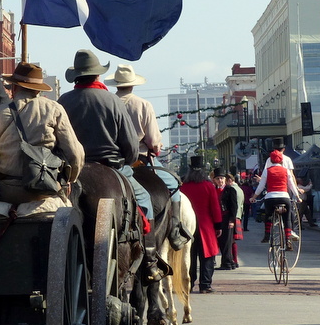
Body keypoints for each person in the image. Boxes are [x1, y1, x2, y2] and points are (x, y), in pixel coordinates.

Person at [57, 50, 150, 222]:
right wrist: (128, 160)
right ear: (97, 75)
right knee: (145, 199)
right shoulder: (112, 100)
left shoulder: (63, 101)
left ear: (76, 76)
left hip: (72, 170)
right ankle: (149, 247)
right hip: (111, 165)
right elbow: (130, 145)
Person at [107, 63, 191, 249]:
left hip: (113, 160)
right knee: (173, 185)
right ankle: (175, 231)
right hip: (140, 160)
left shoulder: (108, 102)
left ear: (116, 84)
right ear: (133, 84)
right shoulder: (143, 104)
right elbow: (153, 140)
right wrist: (156, 146)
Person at [0, 62, 84, 204]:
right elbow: (75, 153)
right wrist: (71, 178)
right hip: (43, 189)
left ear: (14, 88)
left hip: (5, 191)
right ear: (38, 90)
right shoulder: (54, 109)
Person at [180, 156, 222, 293]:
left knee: (189, 256)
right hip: (206, 226)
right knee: (207, 257)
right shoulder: (208, 186)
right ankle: (205, 284)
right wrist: (218, 225)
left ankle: (189, 283)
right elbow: (215, 207)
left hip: (187, 226)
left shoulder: (183, 186)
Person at [251, 150, 301, 252]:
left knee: (268, 215)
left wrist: (254, 197)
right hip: (284, 197)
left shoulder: (267, 171)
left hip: (270, 198)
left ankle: (267, 235)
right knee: (287, 219)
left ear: (271, 160)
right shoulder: (286, 170)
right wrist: (297, 196)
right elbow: (291, 185)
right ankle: (288, 241)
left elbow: (261, 186)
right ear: (281, 160)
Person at [264, 137, 299, 240]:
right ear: (283, 149)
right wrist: (296, 190)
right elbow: (291, 176)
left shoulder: (269, 159)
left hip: (272, 190)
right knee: (290, 210)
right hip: (285, 190)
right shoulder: (287, 159)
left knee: (266, 209)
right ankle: (290, 231)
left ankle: (267, 232)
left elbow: (266, 175)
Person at [213, 168, 238, 269]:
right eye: (218, 178)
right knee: (220, 241)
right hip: (217, 219)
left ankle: (227, 262)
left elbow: (234, 206)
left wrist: (232, 220)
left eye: (222, 178)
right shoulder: (213, 190)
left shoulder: (230, 190)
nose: (220, 180)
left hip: (227, 218)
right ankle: (228, 261)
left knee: (227, 241)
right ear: (214, 180)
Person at [226, 173, 245, 268]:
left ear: (229, 180)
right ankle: (234, 260)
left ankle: (234, 260)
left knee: (230, 240)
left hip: (233, 216)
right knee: (232, 240)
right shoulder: (240, 190)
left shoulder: (232, 190)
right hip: (238, 216)